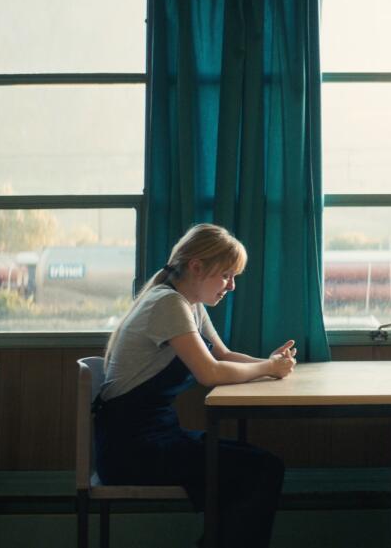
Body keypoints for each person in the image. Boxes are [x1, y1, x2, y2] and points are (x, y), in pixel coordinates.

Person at [94, 223, 297, 548]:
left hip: (156, 435)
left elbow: (225, 355)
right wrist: (268, 368)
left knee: (260, 466)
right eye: (227, 275)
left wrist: (268, 362)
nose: (231, 286)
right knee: (262, 471)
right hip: (131, 448)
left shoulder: (189, 303)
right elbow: (211, 373)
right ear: (197, 267)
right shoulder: (167, 304)